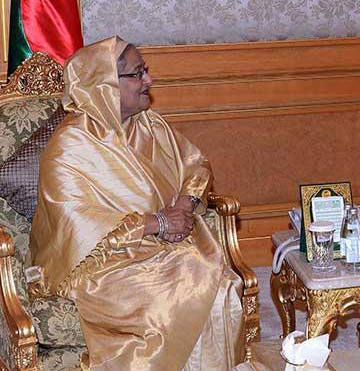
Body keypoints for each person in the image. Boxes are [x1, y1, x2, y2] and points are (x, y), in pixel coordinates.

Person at [30, 36, 244, 371]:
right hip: (101, 263)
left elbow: (196, 165)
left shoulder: (149, 124)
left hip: (162, 248)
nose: (149, 81)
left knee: (222, 284)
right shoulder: (70, 145)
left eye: (145, 71)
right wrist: (157, 223)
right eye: (137, 74)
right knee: (186, 288)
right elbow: (75, 223)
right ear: (104, 84)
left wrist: (183, 207)